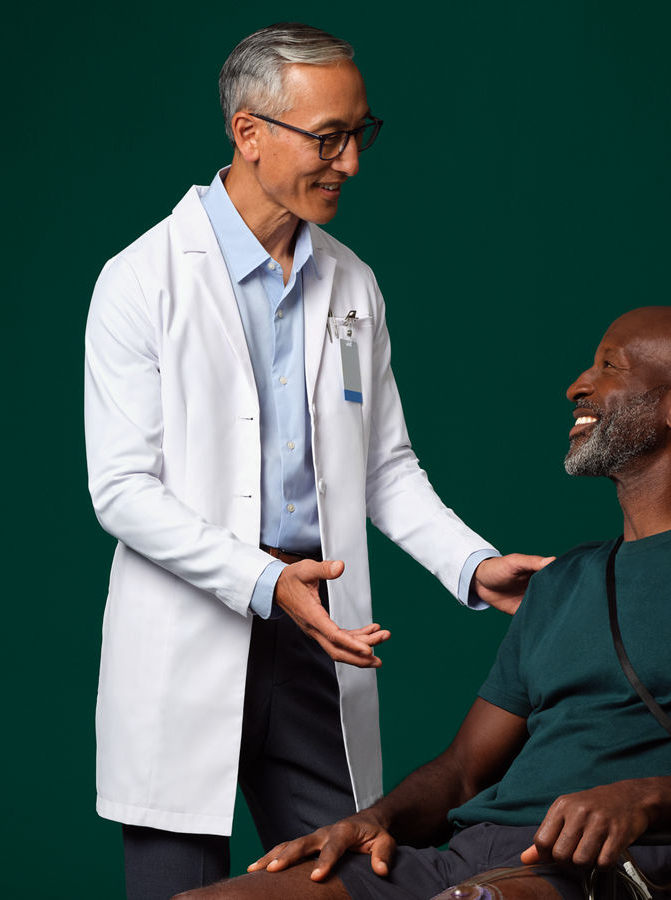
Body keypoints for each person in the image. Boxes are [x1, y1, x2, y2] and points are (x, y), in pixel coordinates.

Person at [83, 22, 550, 900]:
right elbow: (121, 490)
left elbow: (384, 469)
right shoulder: (142, 280)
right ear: (248, 131)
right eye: (326, 137)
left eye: (359, 134)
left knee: (344, 876)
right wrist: (265, 581)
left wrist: (473, 564)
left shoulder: (352, 284)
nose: (350, 162)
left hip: (317, 640)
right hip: (193, 631)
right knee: (177, 894)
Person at [175, 306, 671, 900]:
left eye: (608, 367)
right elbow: (463, 771)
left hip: (619, 866)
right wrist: (374, 821)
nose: (577, 386)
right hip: (470, 857)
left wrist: (642, 797)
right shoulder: (563, 581)